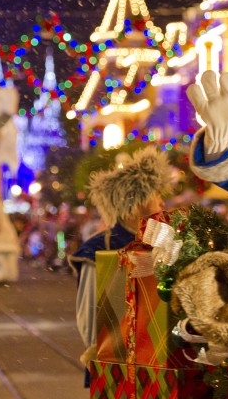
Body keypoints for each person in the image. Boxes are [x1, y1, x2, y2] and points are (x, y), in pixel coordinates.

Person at [66, 148, 173, 386]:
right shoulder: (98, 248)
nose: (162, 202)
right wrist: (106, 355)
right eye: (156, 194)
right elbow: (88, 316)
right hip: (116, 367)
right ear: (137, 202)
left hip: (163, 363)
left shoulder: (168, 243)